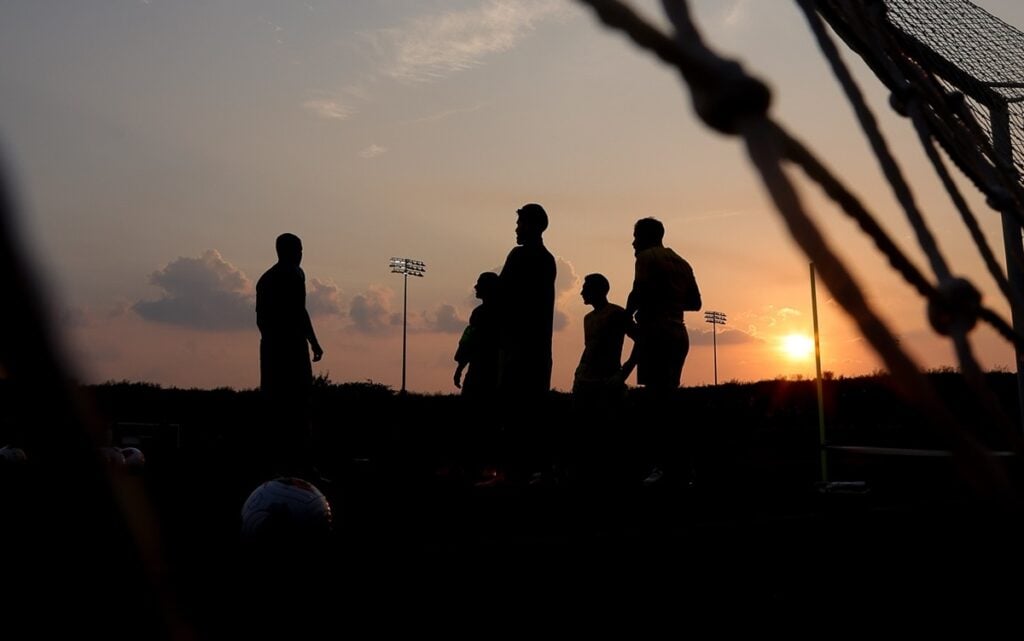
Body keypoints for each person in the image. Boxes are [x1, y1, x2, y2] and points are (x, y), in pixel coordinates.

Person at [623, 217, 701, 486]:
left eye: (635, 237)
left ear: (646, 237)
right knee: (668, 400)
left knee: (657, 404)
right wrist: (669, 299)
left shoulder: (646, 257)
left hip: (657, 332)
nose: (633, 243)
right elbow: (695, 302)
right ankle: (680, 466)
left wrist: (627, 318)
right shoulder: (682, 262)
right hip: (678, 331)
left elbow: (638, 291)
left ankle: (665, 467)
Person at [255, 233, 324, 478]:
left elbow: (263, 319)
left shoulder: (270, 278)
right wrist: (310, 341)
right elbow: (297, 312)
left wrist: (310, 341)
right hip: (287, 347)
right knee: (296, 405)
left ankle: (281, 463)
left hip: (276, 347)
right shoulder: (290, 275)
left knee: (280, 405)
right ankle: (297, 465)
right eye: (299, 249)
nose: (301, 254)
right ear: (288, 251)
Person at [497, 203, 556, 484]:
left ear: (534, 226)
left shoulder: (520, 255)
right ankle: (534, 470)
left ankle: (513, 472)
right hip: (539, 348)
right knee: (534, 412)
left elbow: (502, 293)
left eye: (521, 223)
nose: (517, 229)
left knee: (513, 412)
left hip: (519, 346)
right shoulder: (548, 259)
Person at [571, 273, 635, 487]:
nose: (582, 292)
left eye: (586, 287)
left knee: (608, 434)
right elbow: (589, 348)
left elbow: (640, 341)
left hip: (607, 383)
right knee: (584, 435)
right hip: (585, 382)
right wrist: (578, 374)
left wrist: (623, 373)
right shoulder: (588, 318)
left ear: (598, 290)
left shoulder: (616, 314)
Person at [452, 272, 502, 483]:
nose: (475, 287)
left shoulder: (487, 313)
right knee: (478, 420)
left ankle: (481, 466)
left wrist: (460, 365)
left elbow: (469, 342)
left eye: (479, 284)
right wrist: (461, 366)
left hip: (486, 371)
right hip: (484, 369)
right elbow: (469, 341)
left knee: (481, 420)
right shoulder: (486, 312)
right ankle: (477, 465)